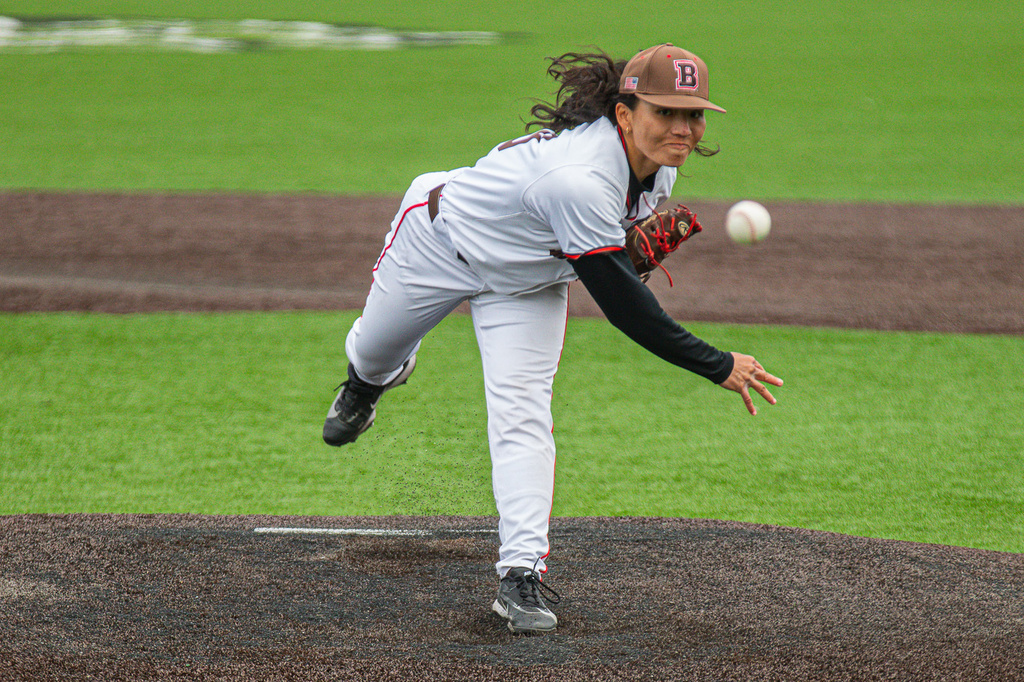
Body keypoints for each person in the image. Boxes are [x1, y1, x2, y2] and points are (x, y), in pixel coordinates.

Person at [323, 43, 783, 635]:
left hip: (528, 285)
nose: (682, 128)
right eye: (664, 112)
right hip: (437, 245)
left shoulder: (659, 169)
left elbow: (604, 259)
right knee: (373, 352)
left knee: (522, 412)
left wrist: (624, 252)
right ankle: (367, 384)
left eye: (692, 115)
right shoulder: (579, 180)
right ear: (625, 114)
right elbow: (626, 310)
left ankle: (521, 574)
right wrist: (717, 364)